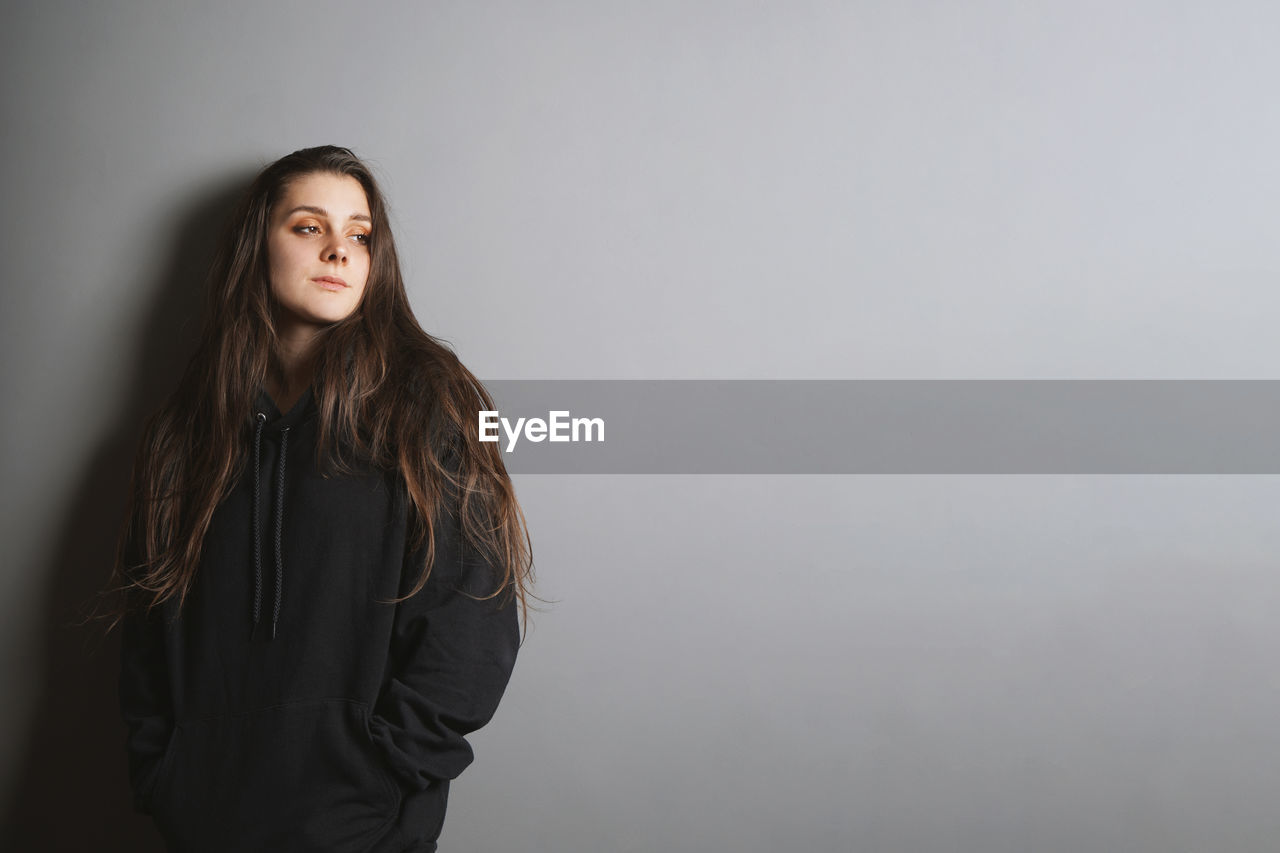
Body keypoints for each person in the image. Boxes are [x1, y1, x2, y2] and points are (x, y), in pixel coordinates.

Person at [102, 145, 534, 852]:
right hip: (205, 825)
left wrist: (381, 779)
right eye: (308, 227)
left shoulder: (424, 402)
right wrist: (165, 772)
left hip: (367, 829)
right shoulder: (183, 434)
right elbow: (146, 635)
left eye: (360, 235)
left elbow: (474, 624)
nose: (339, 250)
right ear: (256, 246)